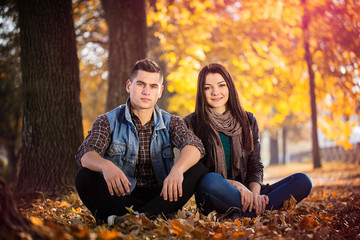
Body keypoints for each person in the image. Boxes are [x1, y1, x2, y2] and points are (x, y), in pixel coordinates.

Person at [75, 59, 206, 225]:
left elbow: (195, 146)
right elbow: (85, 153)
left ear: (160, 91)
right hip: (122, 195)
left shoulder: (171, 122)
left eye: (153, 86)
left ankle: (131, 219)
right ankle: (152, 216)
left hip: (161, 195)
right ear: (129, 86)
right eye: (140, 84)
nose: (146, 91)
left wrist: (177, 170)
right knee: (84, 177)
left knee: (198, 168)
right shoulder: (108, 121)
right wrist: (106, 166)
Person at [184, 63, 312, 218]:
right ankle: (258, 211)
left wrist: (255, 195)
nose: (215, 92)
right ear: (201, 92)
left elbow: (255, 165)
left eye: (221, 85)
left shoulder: (248, 120)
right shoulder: (192, 123)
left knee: (302, 180)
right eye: (207, 87)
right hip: (215, 192)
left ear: (229, 87)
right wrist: (237, 185)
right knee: (209, 180)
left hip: (248, 193)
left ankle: (248, 212)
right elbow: (200, 173)